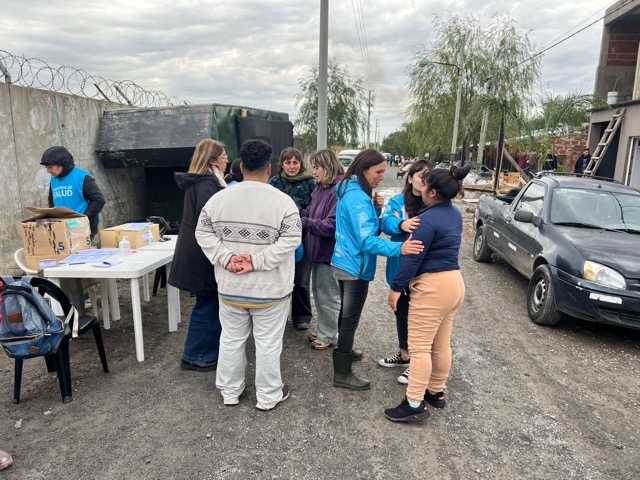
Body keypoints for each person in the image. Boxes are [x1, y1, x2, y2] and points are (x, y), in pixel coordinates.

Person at [196, 139, 301, 411]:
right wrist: (256, 261)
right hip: (270, 290)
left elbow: (202, 232)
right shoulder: (283, 202)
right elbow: (291, 239)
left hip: (230, 287)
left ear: (241, 166)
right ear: (269, 168)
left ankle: (230, 391)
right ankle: (268, 395)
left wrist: (226, 258)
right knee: (268, 343)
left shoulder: (218, 199)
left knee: (231, 339)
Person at [384, 165, 471, 423]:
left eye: (425, 183)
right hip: (454, 283)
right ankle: (435, 391)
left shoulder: (426, 219)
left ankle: (414, 404)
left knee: (420, 349)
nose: (421, 186)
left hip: (432, 287)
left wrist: (396, 288)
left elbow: (412, 257)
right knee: (441, 344)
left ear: (432, 192)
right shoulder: (454, 214)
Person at [331, 149, 424, 391]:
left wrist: (374, 209)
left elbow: (362, 227)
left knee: (345, 315)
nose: (382, 176)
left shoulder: (351, 191)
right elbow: (367, 240)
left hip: (343, 261)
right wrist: (400, 248)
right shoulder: (358, 198)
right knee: (350, 319)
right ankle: (342, 372)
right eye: (378, 172)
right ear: (364, 170)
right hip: (355, 266)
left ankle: (344, 350)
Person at [168, 139, 226, 372]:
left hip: (195, 250)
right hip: (202, 254)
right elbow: (212, 221)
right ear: (213, 160)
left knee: (207, 302)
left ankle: (201, 352)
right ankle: (197, 355)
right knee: (208, 303)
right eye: (223, 156)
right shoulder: (207, 184)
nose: (226, 160)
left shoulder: (200, 181)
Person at [378, 159, 430, 384]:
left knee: (419, 318)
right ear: (410, 179)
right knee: (401, 311)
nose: (424, 180)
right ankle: (404, 355)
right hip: (400, 267)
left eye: (428, 176)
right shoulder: (397, 202)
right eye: (420, 175)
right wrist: (401, 225)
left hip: (423, 271)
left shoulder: (433, 204)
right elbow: (386, 223)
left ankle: (417, 363)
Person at [299, 149, 344, 350]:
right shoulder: (320, 189)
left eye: (316, 167)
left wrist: (303, 222)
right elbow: (311, 212)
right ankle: (325, 328)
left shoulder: (338, 190)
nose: (314, 171)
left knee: (328, 295)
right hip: (317, 251)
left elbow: (331, 226)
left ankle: (329, 335)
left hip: (329, 253)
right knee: (319, 292)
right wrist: (297, 212)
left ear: (327, 167)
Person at [268, 148, 317, 330]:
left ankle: (301, 315)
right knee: (277, 278)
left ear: (301, 164)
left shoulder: (310, 183)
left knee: (301, 279)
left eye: (295, 162)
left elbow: (316, 208)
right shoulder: (274, 182)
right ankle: (276, 316)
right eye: (288, 162)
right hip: (278, 238)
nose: (292, 166)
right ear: (282, 164)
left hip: (303, 236)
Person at [40, 146, 106, 241]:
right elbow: (52, 202)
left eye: (50, 167)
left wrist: (83, 219)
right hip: (63, 229)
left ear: (61, 164)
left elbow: (98, 200)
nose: (48, 171)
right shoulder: (53, 180)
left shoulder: (82, 177)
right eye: (46, 168)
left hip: (84, 229)